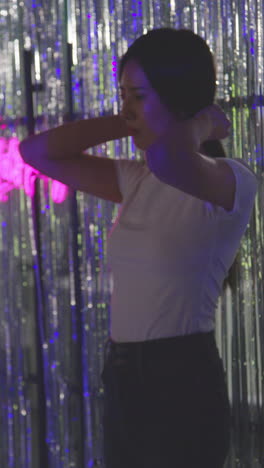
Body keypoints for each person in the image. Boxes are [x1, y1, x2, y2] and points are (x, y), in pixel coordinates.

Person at [19, 28, 257, 468]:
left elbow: (171, 159)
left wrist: (202, 120)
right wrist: (133, 116)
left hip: (180, 377)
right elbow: (36, 152)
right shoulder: (137, 178)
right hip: (125, 373)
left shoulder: (231, 180)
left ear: (178, 98)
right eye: (122, 94)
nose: (126, 108)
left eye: (138, 95)